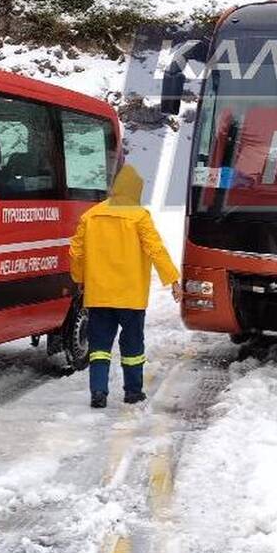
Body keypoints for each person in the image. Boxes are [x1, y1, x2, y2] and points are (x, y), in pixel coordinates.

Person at [69, 164, 181, 409]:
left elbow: (76, 252)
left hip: (99, 295)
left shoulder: (91, 216)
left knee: (98, 346)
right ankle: (133, 392)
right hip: (130, 296)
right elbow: (155, 249)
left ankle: (98, 391)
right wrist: (172, 279)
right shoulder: (139, 216)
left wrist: (80, 280)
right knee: (132, 346)